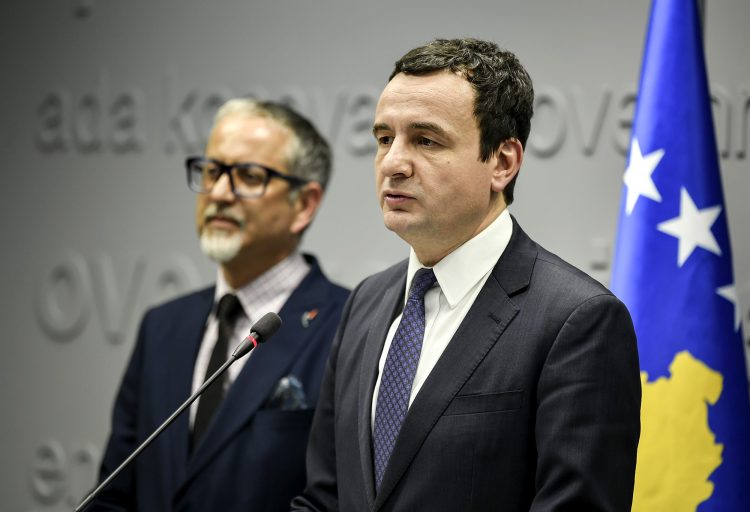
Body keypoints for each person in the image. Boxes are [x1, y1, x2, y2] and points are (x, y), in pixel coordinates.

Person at [292, 38, 640, 511]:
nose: (392, 163)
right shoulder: (365, 303)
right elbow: (324, 498)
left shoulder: (577, 321)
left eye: (426, 140)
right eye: (384, 139)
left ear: (502, 162)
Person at [94, 98, 349, 511]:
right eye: (212, 171)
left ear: (303, 204)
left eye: (248, 176)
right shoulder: (162, 327)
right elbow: (113, 495)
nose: (218, 192)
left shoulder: (350, 327)